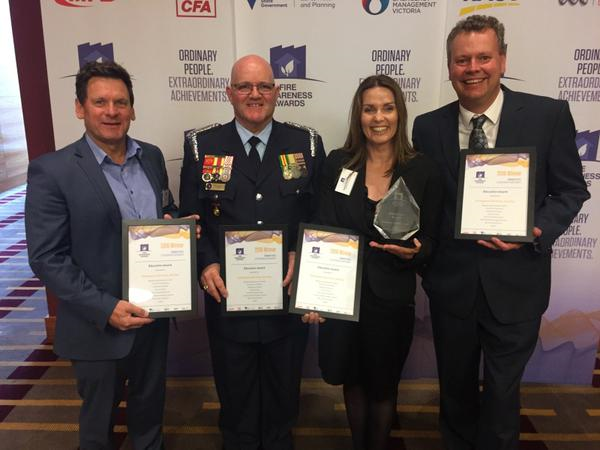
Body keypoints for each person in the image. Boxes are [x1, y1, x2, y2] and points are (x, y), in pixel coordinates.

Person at [411, 15, 590, 450]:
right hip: (452, 287)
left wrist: (536, 229)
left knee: (503, 397)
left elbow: (571, 191)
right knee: (454, 392)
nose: (473, 68)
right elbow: (427, 204)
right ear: (450, 66)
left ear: (503, 60)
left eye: (483, 57)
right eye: (462, 60)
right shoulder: (427, 127)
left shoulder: (548, 115)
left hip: (517, 284)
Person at [25, 61, 187, 450]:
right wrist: (106, 307)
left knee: (150, 415)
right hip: (96, 326)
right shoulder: (53, 170)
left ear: (132, 108)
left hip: (152, 317)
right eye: (100, 102)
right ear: (79, 107)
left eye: (120, 102)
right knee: (98, 429)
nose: (111, 112)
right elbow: (47, 257)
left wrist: (175, 224)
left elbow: (164, 210)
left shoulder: (151, 157)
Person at [178, 54, 325, 450]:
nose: (254, 94)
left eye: (263, 86)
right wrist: (206, 262)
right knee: (236, 400)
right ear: (229, 92)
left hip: (285, 298)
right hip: (228, 298)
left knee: (283, 397)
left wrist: (300, 253)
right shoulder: (202, 145)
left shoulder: (306, 143)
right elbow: (191, 220)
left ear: (277, 92)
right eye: (244, 86)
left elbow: (319, 215)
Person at [305, 74, 443, 450]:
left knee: (383, 387)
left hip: (391, 299)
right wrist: (313, 293)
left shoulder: (422, 170)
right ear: (359, 115)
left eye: (387, 108)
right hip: (341, 298)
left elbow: (433, 240)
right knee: (352, 382)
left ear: (399, 114)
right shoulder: (337, 164)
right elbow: (320, 227)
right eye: (369, 109)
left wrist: (417, 252)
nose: (378, 117)